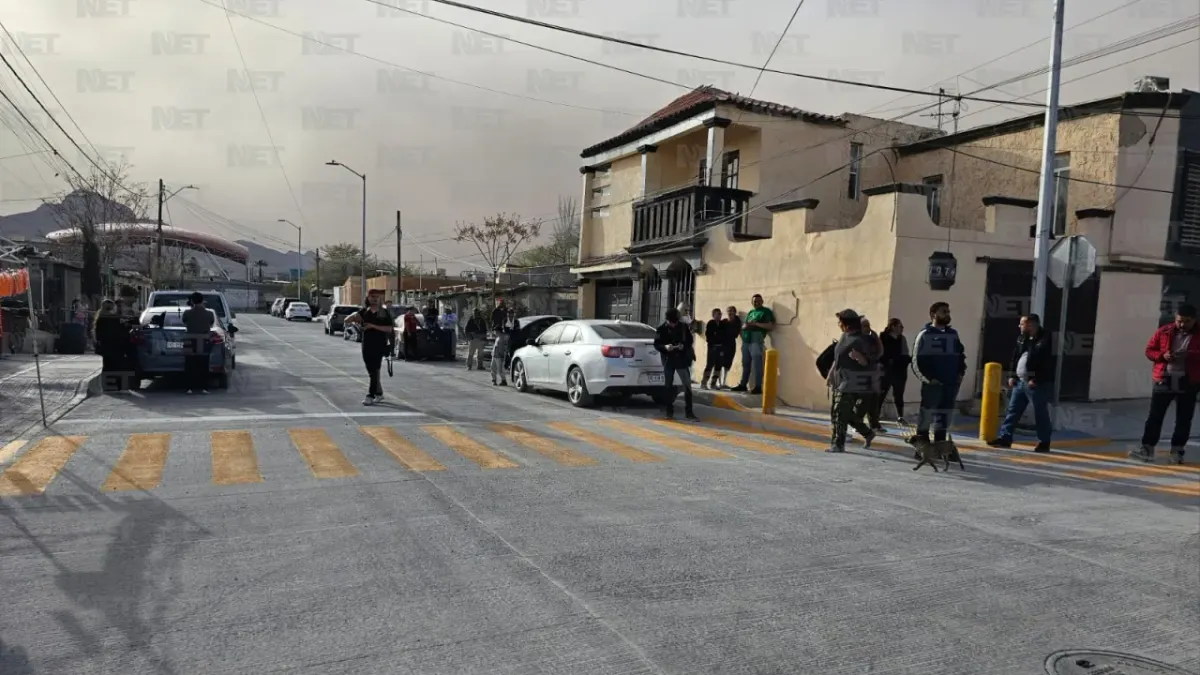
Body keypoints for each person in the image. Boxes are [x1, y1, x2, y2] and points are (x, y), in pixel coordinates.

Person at [1136, 303, 1200, 464]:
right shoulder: (1164, 331)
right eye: (1179, 321)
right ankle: (1147, 449)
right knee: (1155, 416)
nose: (1182, 324)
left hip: (1188, 380)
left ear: (1194, 320)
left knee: (1184, 418)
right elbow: (1149, 350)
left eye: (1186, 321)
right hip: (1165, 378)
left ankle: (1177, 452)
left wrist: (1190, 355)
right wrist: (1163, 356)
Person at [988, 314, 1054, 452]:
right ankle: (1005, 437)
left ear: (1031, 325)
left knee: (1040, 412)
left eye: (1022, 324)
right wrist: (1012, 375)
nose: (1019, 327)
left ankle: (1044, 442)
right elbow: (1015, 357)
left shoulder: (1044, 338)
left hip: (1036, 383)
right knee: (1012, 410)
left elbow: (1046, 361)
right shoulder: (1021, 338)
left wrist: (1035, 379)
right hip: (1020, 382)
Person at [911, 302, 966, 451]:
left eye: (948, 311)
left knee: (943, 418)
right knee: (926, 418)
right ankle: (921, 448)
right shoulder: (925, 334)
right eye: (944, 312)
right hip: (932, 386)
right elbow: (916, 361)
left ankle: (940, 449)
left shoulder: (953, 334)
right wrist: (929, 380)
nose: (948, 314)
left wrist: (960, 373)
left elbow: (960, 355)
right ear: (933, 314)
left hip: (950, 385)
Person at [827, 309, 877, 453]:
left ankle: (838, 444)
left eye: (840, 322)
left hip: (854, 382)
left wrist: (859, 358)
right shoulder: (844, 336)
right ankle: (867, 433)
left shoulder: (861, 340)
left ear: (846, 324)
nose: (838, 324)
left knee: (839, 412)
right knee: (844, 412)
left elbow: (870, 362)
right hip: (841, 380)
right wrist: (831, 374)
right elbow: (838, 358)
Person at [343, 289, 394, 405]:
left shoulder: (383, 312)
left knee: (374, 370)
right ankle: (379, 393)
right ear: (368, 298)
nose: (374, 299)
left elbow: (389, 329)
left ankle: (370, 395)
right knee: (371, 370)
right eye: (372, 296)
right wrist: (354, 319)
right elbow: (347, 320)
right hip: (366, 345)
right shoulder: (364, 312)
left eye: (376, 297)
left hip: (380, 344)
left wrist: (372, 326)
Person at [654, 307, 697, 420]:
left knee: (687, 386)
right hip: (668, 360)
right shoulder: (661, 329)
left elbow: (690, 340)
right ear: (667, 320)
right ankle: (669, 412)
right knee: (668, 386)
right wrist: (665, 347)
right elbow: (657, 344)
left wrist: (683, 345)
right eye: (671, 323)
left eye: (675, 322)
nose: (673, 325)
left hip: (681, 360)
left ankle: (689, 412)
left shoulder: (683, 327)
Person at [732, 294, 774, 394]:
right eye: (755, 301)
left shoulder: (766, 311)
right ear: (752, 302)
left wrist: (756, 324)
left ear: (762, 301)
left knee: (757, 365)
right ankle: (743, 385)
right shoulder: (751, 312)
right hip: (747, 340)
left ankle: (758, 386)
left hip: (756, 340)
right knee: (745, 364)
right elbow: (745, 324)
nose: (756, 303)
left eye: (759, 301)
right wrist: (745, 326)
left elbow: (770, 326)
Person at [879, 318, 912, 425]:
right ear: (893, 326)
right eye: (900, 326)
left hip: (900, 371)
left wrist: (898, 360)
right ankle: (875, 416)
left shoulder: (902, 339)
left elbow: (905, 355)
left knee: (899, 395)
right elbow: (880, 355)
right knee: (881, 394)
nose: (902, 329)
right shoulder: (883, 338)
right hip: (886, 371)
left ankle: (900, 416)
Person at [181, 291, 215, 395]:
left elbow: (184, 321)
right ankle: (204, 387)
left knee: (189, 364)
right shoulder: (209, 313)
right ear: (203, 300)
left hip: (190, 339)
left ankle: (189, 388)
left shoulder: (187, 313)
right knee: (203, 364)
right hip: (203, 339)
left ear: (192, 301)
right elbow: (211, 323)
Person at [94, 299, 130, 393]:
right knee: (119, 365)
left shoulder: (100, 318)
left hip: (106, 346)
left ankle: (108, 387)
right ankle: (120, 387)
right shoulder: (114, 319)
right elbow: (123, 331)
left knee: (107, 366)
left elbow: (98, 334)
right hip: (116, 346)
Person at [859, 317, 885, 432]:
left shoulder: (872, 336)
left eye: (868, 325)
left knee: (874, 398)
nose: (867, 328)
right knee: (863, 400)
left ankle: (874, 424)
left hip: (873, 370)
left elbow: (880, 350)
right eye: (865, 325)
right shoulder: (856, 338)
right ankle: (858, 423)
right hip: (860, 372)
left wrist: (874, 359)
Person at [701, 308, 725, 389]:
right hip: (712, 347)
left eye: (720, 314)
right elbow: (709, 335)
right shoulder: (711, 323)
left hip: (720, 347)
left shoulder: (722, 324)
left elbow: (724, 335)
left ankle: (713, 383)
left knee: (718, 366)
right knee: (710, 365)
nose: (719, 316)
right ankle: (704, 383)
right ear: (713, 315)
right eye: (717, 314)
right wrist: (714, 341)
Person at [720, 305, 740, 389]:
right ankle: (719, 382)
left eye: (732, 311)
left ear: (735, 313)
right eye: (729, 311)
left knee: (728, 364)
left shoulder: (737, 322)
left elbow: (736, 334)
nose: (730, 313)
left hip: (731, 344)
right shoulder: (724, 322)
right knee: (720, 363)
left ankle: (724, 382)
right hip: (723, 344)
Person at [490, 309, 511, 387]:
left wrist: (503, 355)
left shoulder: (503, 338)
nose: (495, 332)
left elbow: (504, 347)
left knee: (500, 369)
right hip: (494, 355)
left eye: (495, 331)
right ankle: (494, 380)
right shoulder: (498, 338)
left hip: (499, 356)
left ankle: (503, 380)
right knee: (493, 368)